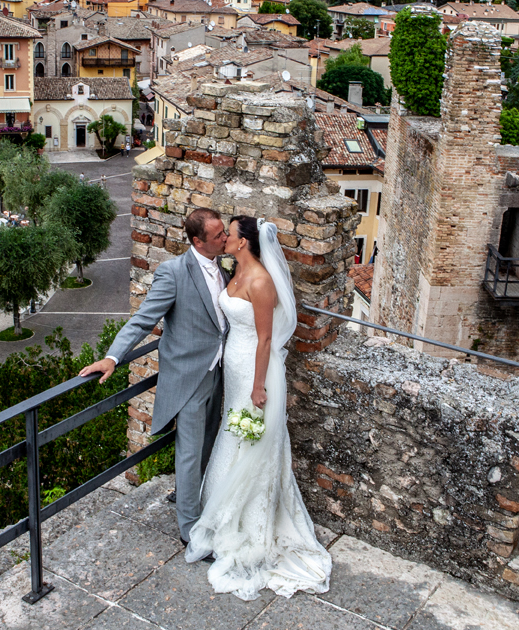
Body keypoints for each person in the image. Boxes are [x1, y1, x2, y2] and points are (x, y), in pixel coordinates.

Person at [185, 216, 331, 601]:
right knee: (232, 434)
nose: (224, 239)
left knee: (251, 440)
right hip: (232, 366)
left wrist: (257, 386)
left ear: (244, 242)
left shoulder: (261, 282)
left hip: (253, 370)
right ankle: (222, 511)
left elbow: (266, 339)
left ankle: (250, 521)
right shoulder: (232, 272)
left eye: (229, 235)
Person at [81, 207, 230, 547]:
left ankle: (195, 498)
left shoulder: (222, 266)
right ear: (197, 240)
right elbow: (143, 320)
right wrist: (112, 357)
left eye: (223, 232)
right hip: (188, 378)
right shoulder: (173, 272)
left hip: (218, 372)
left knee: (209, 442)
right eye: (219, 235)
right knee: (190, 453)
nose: (225, 238)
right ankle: (190, 531)